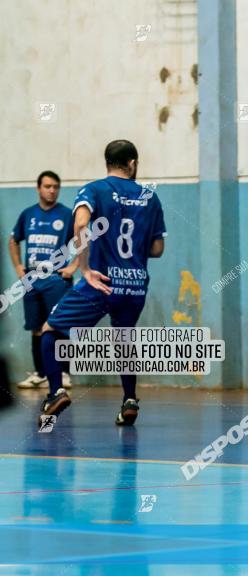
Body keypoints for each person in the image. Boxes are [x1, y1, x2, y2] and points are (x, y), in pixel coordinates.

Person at [38, 140, 166, 426]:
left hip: (101, 282)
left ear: (107, 162)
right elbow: (157, 249)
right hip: (134, 287)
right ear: (132, 163)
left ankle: (56, 391)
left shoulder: (94, 190)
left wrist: (84, 268)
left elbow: (82, 225)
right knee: (124, 339)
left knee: (51, 328)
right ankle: (130, 400)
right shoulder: (150, 197)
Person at [8, 171, 76, 389]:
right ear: (38, 188)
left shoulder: (67, 215)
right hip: (32, 279)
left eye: (56, 186)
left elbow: (86, 241)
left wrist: (73, 267)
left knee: (58, 326)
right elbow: (13, 240)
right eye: (47, 186)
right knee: (36, 327)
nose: (52, 190)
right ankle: (40, 374)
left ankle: (64, 373)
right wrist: (19, 267)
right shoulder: (28, 214)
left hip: (57, 280)